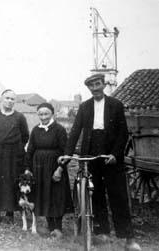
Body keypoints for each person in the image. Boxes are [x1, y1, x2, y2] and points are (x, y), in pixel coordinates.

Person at [58, 74, 141, 251]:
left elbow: (122, 133)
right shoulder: (84, 107)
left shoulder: (116, 105)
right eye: (91, 86)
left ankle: (128, 238)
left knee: (118, 195)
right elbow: (75, 132)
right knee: (94, 193)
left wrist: (115, 154)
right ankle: (101, 232)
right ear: (89, 88)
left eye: (98, 84)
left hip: (110, 152)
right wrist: (67, 154)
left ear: (103, 85)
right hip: (91, 150)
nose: (95, 88)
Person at [25, 103, 72, 238]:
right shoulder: (35, 130)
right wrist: (28, 168)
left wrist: (60, 169)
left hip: (54, 167)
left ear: (52, 114)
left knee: (56, 195)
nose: (43, 117)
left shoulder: (59, 129)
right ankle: (50, 225)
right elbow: (30, 150)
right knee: (44, 195)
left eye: (46, 114)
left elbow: (66, 151)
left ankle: (58, 228)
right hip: (39, 168)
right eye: (40, 114)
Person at [0, 89, 29, 224]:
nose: (9, 101)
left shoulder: (19, 117)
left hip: (13, 154)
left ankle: (10, 212)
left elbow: (25, 136)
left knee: (11, 181)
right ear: (1, 99)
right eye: (7, 98)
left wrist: (15, 148)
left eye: (12, 99)